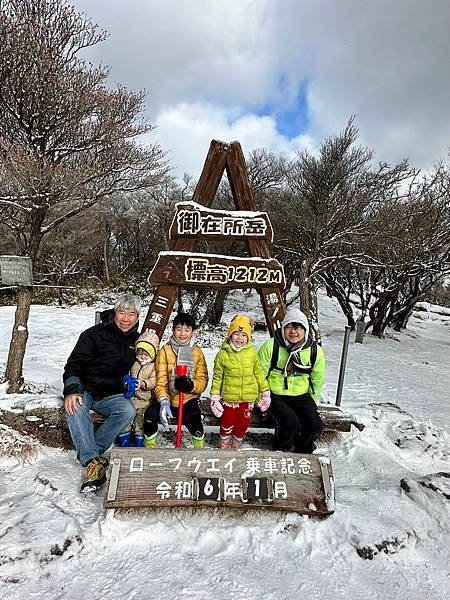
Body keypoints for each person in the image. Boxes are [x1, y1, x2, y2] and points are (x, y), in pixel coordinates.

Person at [63, 294, 141, 492]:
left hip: (111, 393)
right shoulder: (94, 334)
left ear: (137, 316)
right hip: (86, 388)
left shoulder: (137, 340)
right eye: (121, 312)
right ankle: (92, 460)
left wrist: (130, 382)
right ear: (114, 313)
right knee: (76, 407)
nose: (126, 318)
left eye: (131, 314)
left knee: (127, 410)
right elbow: (74, 364)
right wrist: (72, 390)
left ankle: (93, 454)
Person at [258, 307, 326, 454]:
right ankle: (282, 449)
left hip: (301, 395)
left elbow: (317, 378)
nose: (293, 331)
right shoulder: (271, 346)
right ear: (283, 328)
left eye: (298, 327)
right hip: (275, 394)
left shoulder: (314, 351)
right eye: (289, 326)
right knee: (290, 424)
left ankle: (303, 450)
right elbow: (258, 374)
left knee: (315, 426)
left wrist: (312, 401)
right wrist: (262, 397)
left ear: (305, 330)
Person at [209, 315, 270, 449]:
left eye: (243, 335)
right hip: (229, 399)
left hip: (247, 400)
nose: (239, 338)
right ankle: (224, 446)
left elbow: (258, 373)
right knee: (227, 423)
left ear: (248, 337)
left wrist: (265, 392)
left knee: (242, 425)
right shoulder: (223, 354)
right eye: (236, 334)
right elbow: (218, 377)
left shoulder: (252, 353)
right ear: (230, 335)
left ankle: (236, 446)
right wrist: (214, 396)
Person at [151, 312, 208, 448]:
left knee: (194, 417)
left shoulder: (197, 352)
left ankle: (199, 448)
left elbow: (203, 379)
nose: (183, 334)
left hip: (188, 399)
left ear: (193, 332)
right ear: (173, 330)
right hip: (168, 398)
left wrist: (191, 385)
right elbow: (161, 380)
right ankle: (150, 447)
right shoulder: (165, 351)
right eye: (179, 329)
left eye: (187, 330)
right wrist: (164, 400)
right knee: (149, 414)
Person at [117, 331, 159, 448]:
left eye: (146, 354)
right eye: (140, 353)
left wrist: (143, 384)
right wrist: (126, 380)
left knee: (140, 423)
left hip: (144, 401)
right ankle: (124, 442)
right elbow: (128, 374)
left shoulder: (153, 367)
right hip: (130, 398)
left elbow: (154, 380)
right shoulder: (134, 364)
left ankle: (139, 443)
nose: (142, 356)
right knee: (126, 421)